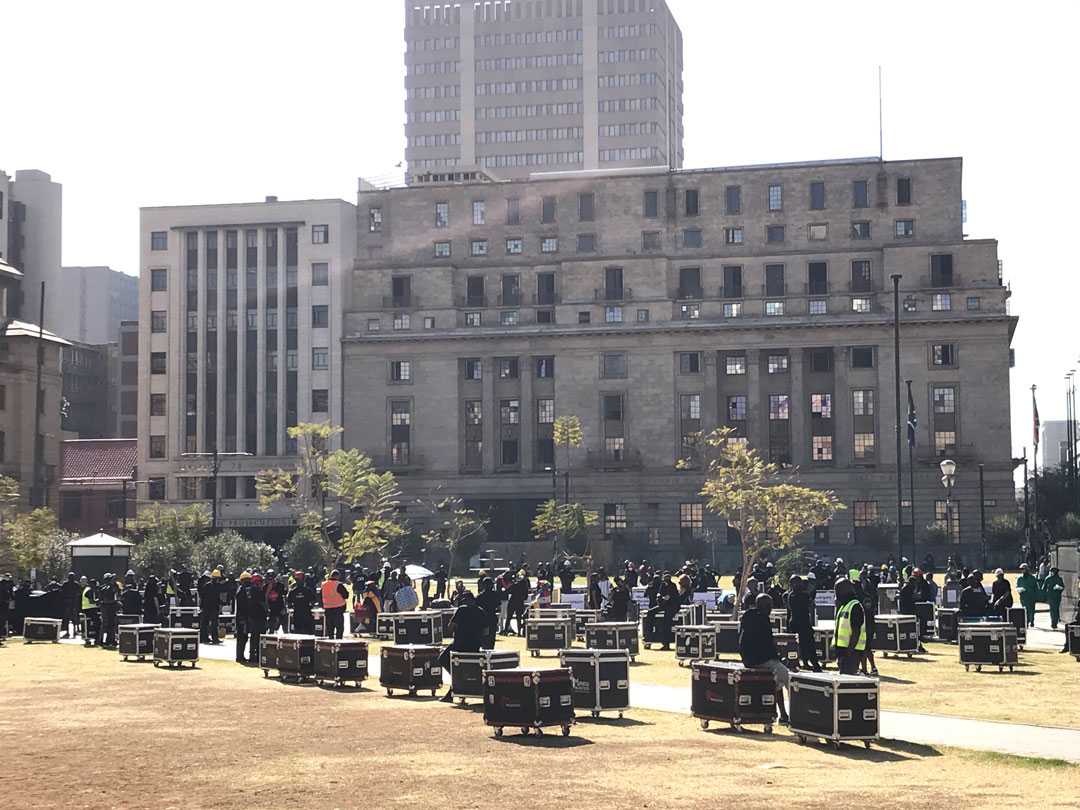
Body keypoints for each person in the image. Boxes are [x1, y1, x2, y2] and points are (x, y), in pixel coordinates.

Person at [738, 593, 790, 725]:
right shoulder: (763, 620)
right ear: (765, 606)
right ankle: (798, 712)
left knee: (777, 676)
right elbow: (766, 645)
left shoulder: (748, 616)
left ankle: (783, 714)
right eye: (769, 606)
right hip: (759, 660)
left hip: (748, 658)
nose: (771, 608)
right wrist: (779, 658)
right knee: (788, 676)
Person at [438, 590, 488, 702]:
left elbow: (450, 626)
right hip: (474, 646)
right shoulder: (481, 611)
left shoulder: (462, 609)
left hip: (459, 644)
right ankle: (458, 684)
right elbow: (486, 631)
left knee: (442, 658)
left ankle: (457, 681)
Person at [785, 576, 820, 672]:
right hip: (800, 622)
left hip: (799, 622)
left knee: (804, 645)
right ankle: (814, 664)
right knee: (807, 644)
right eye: (797, 583)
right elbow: (810, 604)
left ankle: (806, 663)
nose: (799, 585)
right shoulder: (795, 595)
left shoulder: (792, 594)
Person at [834, 578, 867, 676]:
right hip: (843, 650)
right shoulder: (844, 606)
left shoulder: (855, 606)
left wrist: (850, 651)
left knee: (848, 678)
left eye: (837, 590)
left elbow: (856, 631)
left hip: (852, 652)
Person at [321, 570, 350, 639]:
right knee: (339, 629)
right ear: (337, 576)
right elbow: (346, 595)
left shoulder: (324, 584)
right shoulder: (338, 584)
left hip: (327, 609)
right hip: (338, 609)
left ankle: (331, 643)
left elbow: (320, 596)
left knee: (330, 629)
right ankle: (338, 643)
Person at [198, 570, 222, 644]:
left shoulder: (207, 585)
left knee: (204, 623)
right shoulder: (217, 586)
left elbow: (202, 595)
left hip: (206, 607)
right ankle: (214, 639)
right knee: (214, 624)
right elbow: (218, 597)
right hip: (213, 608)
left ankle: (204, 638)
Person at [475, 577, 500, 649]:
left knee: (484, 637)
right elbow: (498, 608)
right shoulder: (495, 595)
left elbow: (476, 608)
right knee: (492, 637)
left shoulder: (479, 596)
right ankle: (490, 652)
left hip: (483, 619)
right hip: (492, 618)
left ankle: (485, 651)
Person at [98, 572, 120, 648]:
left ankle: (109, 640)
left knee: (110, 624)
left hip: (109, 607)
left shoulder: (113, 586)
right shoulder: (104, 587)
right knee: (107, 624)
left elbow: (117, 593)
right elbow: (104, 598)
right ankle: (103, 640)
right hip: (107, 607)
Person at [265, 570, 288, 634]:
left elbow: (285, 596)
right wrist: (268, 590)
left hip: (280, 608)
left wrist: (284, 608)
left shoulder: (280, 586)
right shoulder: (265, 587)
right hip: (271, 610)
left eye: (272, 578)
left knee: (285, 626)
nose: (271, 580)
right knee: (271, 627)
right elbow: (264, 599)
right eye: (269, 578)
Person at [60, 573, 81, 639]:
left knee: (69, 618)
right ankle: (71, 631)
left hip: (70, 603)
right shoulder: (74, 584)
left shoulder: (67, 584)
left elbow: (62, 592)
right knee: (70, 618)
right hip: (70, 603)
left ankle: (71, 631)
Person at [0, 572, 14, 641]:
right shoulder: (1, 583)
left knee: (4, 619)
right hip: (2, 603)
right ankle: (2, 634)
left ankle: (3, 634)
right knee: (2, 619)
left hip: (6, 603)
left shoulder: (10, 584)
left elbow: (11, 593)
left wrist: (11, 599)